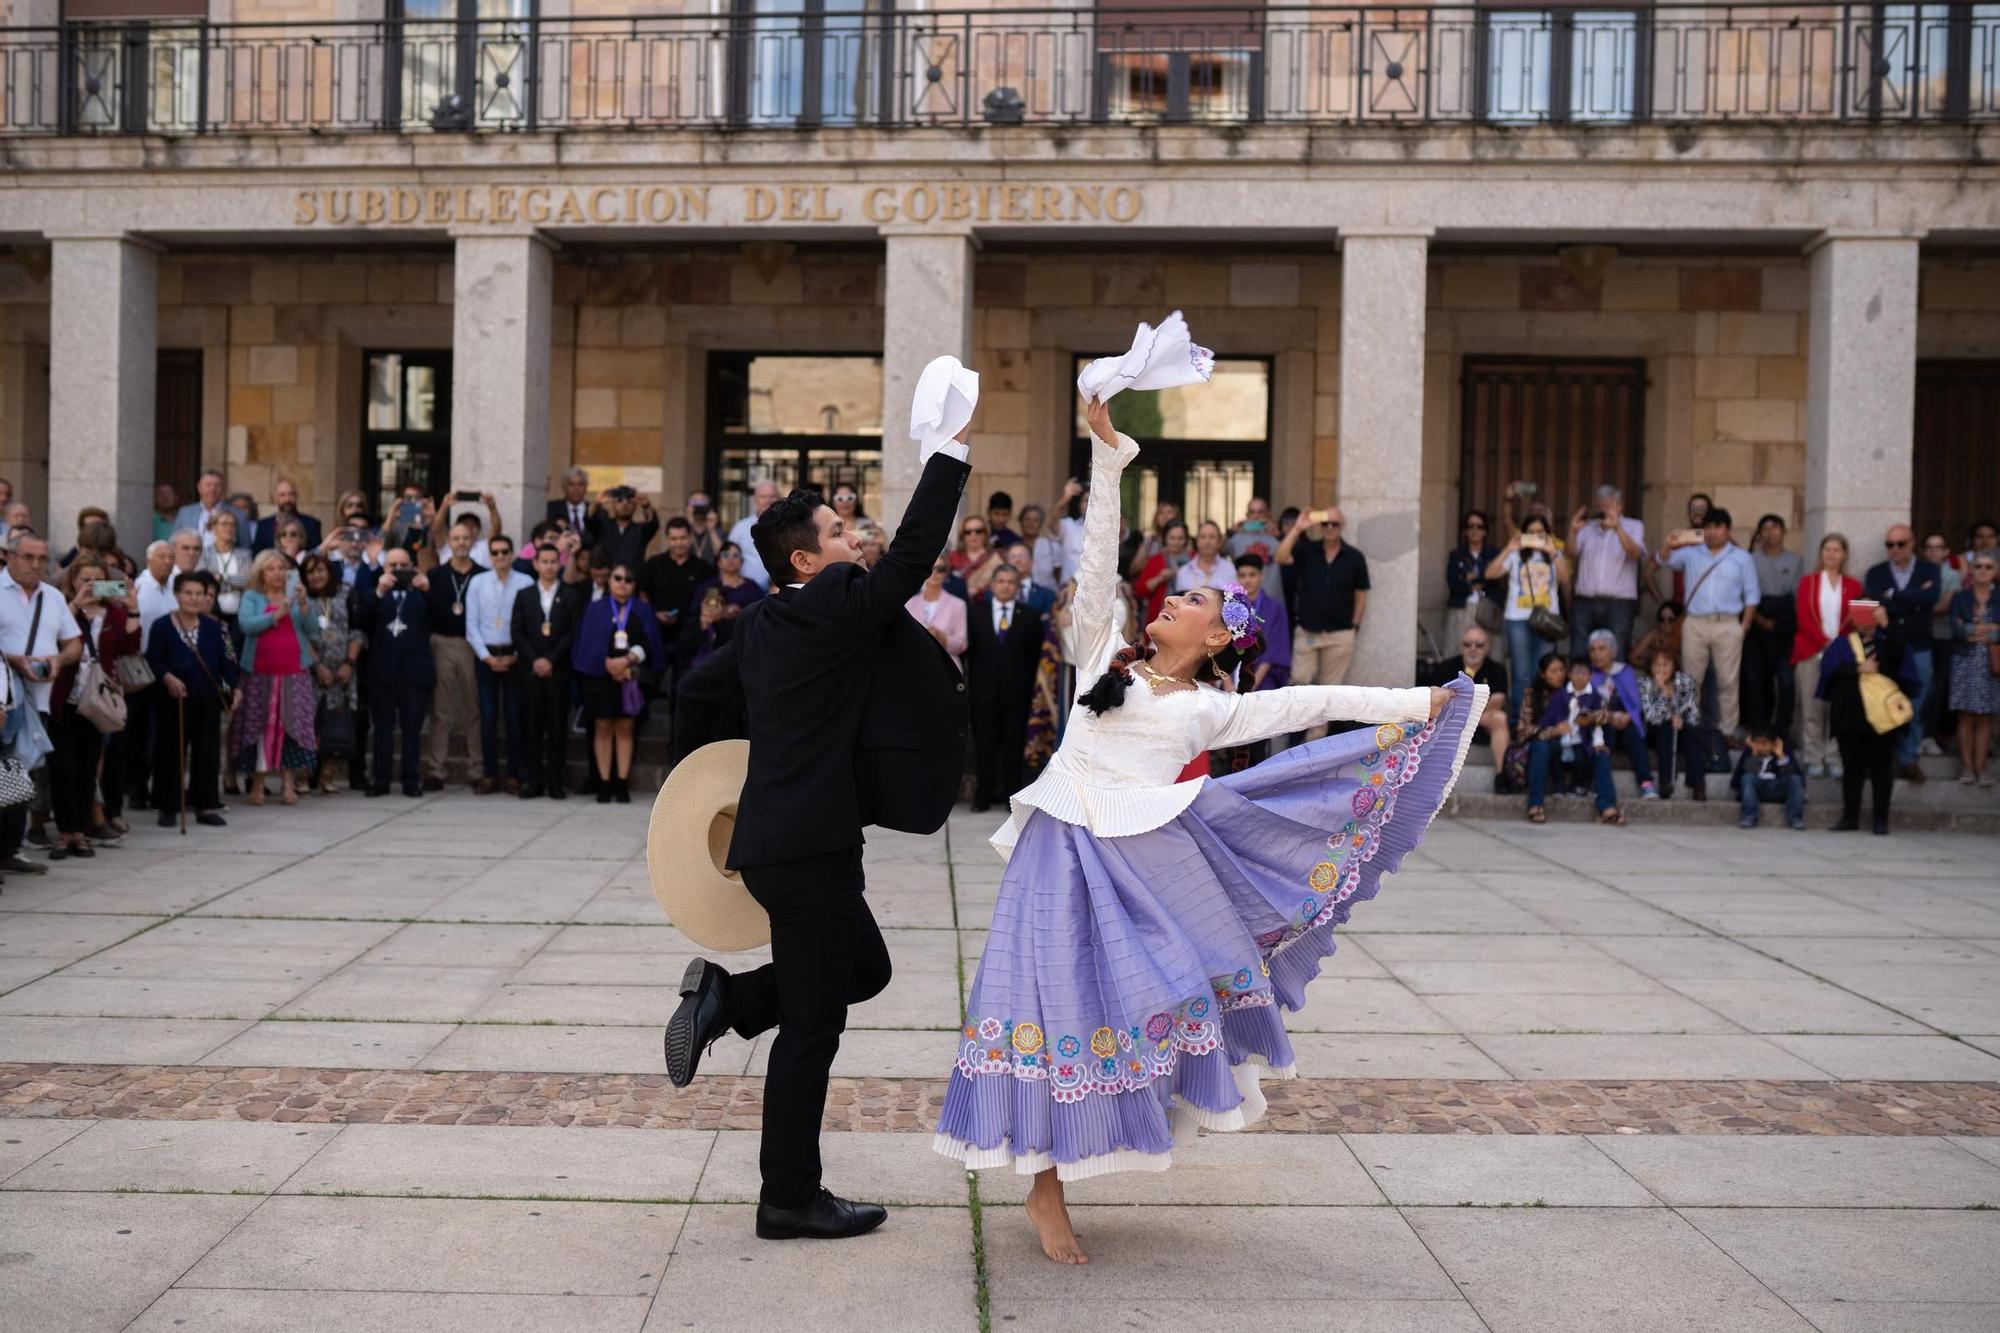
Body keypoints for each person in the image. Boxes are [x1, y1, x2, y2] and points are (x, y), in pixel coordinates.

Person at [928, 396, 1465, 1265]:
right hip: (1059, 846)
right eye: (1174, 594)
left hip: (1139, 858)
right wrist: (1109, 460)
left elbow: (1318, 701)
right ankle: (1044, 1185)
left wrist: (1419, 702)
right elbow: (1098, 562)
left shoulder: (1211, 708)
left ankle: (1114, 1124)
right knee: (1046, 1001)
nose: (1170, 600)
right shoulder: (1103, 654)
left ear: (1216, 635)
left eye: (1190, 600)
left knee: (1164, 992)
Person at [666, 415, 972, 1245]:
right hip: (808, 852)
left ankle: (732, 996)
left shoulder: (762, 624)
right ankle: (788, 1196)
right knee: (812, 1030)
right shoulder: (835, 600)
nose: (854, 540)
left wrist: (728, 774)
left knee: (863, 967)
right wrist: (949, 454)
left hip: (779, 844)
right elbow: (908, 563)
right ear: (806, 561)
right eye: (839, 533)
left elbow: (696, 691)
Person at [43, 559, 138, 858]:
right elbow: (51, 637)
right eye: (86, 579)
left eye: (99, 580)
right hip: (64, 700)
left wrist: (133, 606)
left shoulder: (114, 613)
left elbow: (129, 645)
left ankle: (81, 832)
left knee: (86, 770)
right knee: (62, 768)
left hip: (95, 702)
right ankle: (64, 832)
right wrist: (75, 604)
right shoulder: (61, 608)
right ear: (73, 580)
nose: (92, 585)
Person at [0, 534, 78, 873]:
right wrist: (15, 660)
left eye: (41, 558)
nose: (35, 565)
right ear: (10, 557)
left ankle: (9, 850)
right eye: (28, 557)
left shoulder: (55, 596)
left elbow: (74, 643)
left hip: (38, 704)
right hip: (4, 702)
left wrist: (60, 660)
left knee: (18, 777)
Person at [1818, 601, 1919, 835]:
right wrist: (1857, 669)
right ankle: (1849, 817)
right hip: (1850, 716)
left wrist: (1887, 625)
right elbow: (1828, 670)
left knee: (1882, 770)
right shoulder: (1842, 644)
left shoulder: (1888, 641)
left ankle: (1880, 820)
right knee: (1852, 769)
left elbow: (1902, 660)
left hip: (1883, 719)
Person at [229, 550, 319, 806]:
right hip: (260, 674)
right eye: (271, 569)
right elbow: (246, 625)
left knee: (290, 727)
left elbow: (312, 629)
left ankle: (288, 785)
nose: (277, 573)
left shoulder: (295, 597)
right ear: (261, 573)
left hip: (294, 673)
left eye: (282, 569)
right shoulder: (252, 597)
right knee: (260, 727)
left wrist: (303, 605)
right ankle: (257, 784)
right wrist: (274, 615)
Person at [146, 568, 234, 828]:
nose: (194, 598)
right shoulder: (162, 625)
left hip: (207, 696)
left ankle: (205, 804)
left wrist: (234, 686)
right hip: (173, 697)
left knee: (207, 751)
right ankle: (168, 805)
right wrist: (167, 677)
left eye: (200, 594)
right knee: (171, 751)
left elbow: (224, 661)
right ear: (177, 595)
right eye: (188, 593)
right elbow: (154, 659)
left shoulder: (213, 627)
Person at [1275, 505, 1372, 738]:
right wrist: (1298, 528)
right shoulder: (1307, 550)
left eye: (1334, 524)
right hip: (1308, 629)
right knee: (1299, 680)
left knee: (1330, 690)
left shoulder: (1355, 558)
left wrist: (1355, 626)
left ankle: (1314, 743)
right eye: (1325, 523)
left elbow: (1361, 595)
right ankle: (1296, 733)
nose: (1329, 528)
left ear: (1342, 527)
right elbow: (1280, 556)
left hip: (1340, 633)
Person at [1662, 507, 1758, 742]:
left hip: (1727, 624)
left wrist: (1742, 628)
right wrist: (1671, 541)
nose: (1713, 532)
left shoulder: (1742, 558)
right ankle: (1688, 728)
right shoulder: (1691, 553)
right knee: (1690, 679)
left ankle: (1727, 731)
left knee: (1728, 680)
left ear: (1728, 530)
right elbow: (1661, 560)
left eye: (1718, 527)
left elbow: (1752, 595)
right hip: (1695, 622)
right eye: (1708, 527)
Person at [571, 562, 662, 804]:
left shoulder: (642, 609)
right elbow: (586, 644)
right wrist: (606, 663)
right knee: (602, 728)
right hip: (600, 677)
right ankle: (604, 782)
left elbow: (650, 645)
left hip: (630, 677)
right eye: (618, 578)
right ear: (609, 581)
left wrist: (627, 662)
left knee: (625, 728)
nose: (623, 583)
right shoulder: (595, 608)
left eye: (628, 579)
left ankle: (621, 782)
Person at [1863, 523, 1943, 782]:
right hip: (1886, 647)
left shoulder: (1929, 569)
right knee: (1883, 702)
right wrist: (1911, 598)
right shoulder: (1876, 572)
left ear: (1912, 543)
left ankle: (1908, 759)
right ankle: (1883, 759)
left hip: (1918, 646)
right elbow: (1874, 602)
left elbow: (1929, 599)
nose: (1894, 549)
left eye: (1900, 544)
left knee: (1916, 704)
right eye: (1890, 545)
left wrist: (1893, 598)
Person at [354, 548, 434, 797]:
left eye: (403, 565)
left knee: (412, 729)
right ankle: (381, 779)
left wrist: (428, 590)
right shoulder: (373, 593)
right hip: (383, 672)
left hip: (414, 672)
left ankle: (411, 780)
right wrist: (379, 592)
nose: (398, 570)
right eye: (392, 565)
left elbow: (442, 618)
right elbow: (360, 621)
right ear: (384, 568)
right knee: (382, 728)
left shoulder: (421, 594)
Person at [966, 564, 1044, 814]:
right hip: (983, 691)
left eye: (1011, 582)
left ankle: (1012, 794)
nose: (1006, 586)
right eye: (1001, 581)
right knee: (984, 746)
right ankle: (983, 794)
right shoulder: (975, 612)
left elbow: (1034, 657)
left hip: (1016, 692)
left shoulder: (1030, 616)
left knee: (1013, 745)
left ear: (1017, 587)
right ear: (992, 584)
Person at [510, 540, 585, 800]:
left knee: (557, 729)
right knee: (531, 728)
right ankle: (532, 780)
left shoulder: (571, 595)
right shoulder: (524, 594)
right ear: (536, 564)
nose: (549, 566)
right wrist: (535, 661)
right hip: (531, 672)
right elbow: (517, 632)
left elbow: (571, 633)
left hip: (558, 672)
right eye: (544, 562)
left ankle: (556, 781)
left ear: (559, 563)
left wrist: (550, 660)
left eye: (554, 561)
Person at [422, 517, 485, 791]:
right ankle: (437, 769)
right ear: (449, 542)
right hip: (442, 643)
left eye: (466, 538)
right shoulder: (435, 576)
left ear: (472, 542)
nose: (461, 543)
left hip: (472, 645)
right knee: (441, 709)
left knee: (475, 707)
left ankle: (477, 769)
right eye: (456, 538)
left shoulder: (483, 575)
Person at [1527, 655, 1623, 825]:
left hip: (1583, 746)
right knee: (1540, 747)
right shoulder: (1554, 696)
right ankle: (1535, 804)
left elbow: (1604, 715)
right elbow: (1530, 729)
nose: (1579, 677)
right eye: (1553, 671)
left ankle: (1607, 807)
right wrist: (1555, 730)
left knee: (1601, 755)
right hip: (1556, 745)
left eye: (1561, 670)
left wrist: (1592, 719)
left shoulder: (1593, 695)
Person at [1792, 534, 1859, 778]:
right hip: (1811, 650)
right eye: (1827, 549)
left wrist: (1836, 644)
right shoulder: (1808, 582)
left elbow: (1855, 622)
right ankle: (1813, 756)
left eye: (1836, 550)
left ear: (1844, 555)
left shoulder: (1853, 586)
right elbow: (1803, 619)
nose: (1830, 554)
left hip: (1841, 655)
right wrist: (1824, 642)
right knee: (1812, 706)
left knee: (1838, 709)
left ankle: (1834, 757)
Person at [1486, 511, 1568, 711]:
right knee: (1521, 673)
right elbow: (1490, 573)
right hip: (1517, 619)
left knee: (1544, 671)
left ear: (1547, 534)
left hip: (1546, 620)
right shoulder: (1515, 554)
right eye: (1530, 532)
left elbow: (1565, 579)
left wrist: (1553, 552)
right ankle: (1519, 722)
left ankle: (1541, 719)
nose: (1535, 535)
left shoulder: (1554, 553)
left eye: (1540, 532)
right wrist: (1509, 547)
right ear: (1523, 533)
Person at [465, 534, 528, 795]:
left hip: (515, 656)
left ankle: (513, 774)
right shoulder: (478, 583)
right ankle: (489, 773)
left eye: (505, 551)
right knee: (488, 716)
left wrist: (516, 654)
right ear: (490, 556)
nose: (500, 556)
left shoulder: (525, 583)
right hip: (486, 657)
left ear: (512, 554)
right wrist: (486, 657)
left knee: (514, 718)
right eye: (496, 552)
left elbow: (529, 623)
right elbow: (471, 625)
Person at [299, 553, 361, 795]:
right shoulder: (302, 598)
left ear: (330, 572)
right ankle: (304, 775)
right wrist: (318, 666)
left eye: (321, 570)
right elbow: (301, 635)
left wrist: (348, 663)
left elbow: (357, 630)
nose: (316, 576)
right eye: (311, 572)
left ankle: (327, 775)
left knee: (335, 723)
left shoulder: (346, 593)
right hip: (310, 670)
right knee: (308, 723)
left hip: (342, 671)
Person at [1567, 484, 1646, 658]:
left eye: (1609, 506)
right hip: (1585, 602)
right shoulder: (1588, 528)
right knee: (1580, 652)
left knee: (1617, 653)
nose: (1604, 510)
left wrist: (1617, 528)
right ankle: (1582, 685)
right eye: (1601, 506)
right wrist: (1572, 531)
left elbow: (1635, 554)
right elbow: (1571, 552)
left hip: (1619, 604)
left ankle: (1614, 686)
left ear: (1620, 507)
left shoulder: (1634, 526)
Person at [1743, 514, 1802, 736]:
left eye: (1774, 527)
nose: (1770, 532)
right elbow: (1745, 594)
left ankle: (1782, 729)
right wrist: (1760, 620)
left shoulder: (1797, 561)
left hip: (1785, 629)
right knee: (1755, 680)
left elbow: (1796, 597)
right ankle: (1759, 729)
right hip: (1756, 625)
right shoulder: (1750, 560)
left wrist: (1778, 624)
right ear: (1760, 534)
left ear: (1783, 531)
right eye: (1765, 529)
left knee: (1786, 681)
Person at [1586, 627, 1657, 798]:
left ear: (1612, 651)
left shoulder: (1625, 671)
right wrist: (1609, 716)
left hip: (1625, 725)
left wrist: (1626, 717)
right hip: (1601, 726)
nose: (1597, 654)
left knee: (1632, 732)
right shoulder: (1588, 674)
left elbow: (1635, 704)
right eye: (1593, 650)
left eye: (1602, 649)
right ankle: (1597, 782)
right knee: (1604, 727)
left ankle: (1646, 782)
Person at [1437, 623, 1510, 787]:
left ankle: (1502, 776)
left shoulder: (1497, 670)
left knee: (1500, 718)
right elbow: (1439, 701)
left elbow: (1498, 701)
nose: (1473, 649)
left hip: (1481, 723)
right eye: (1468, 644)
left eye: (1479, 645)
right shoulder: (1446, 668)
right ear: (1461, 647)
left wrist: (1467, 710)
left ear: (1487, 647)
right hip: (1453, 722)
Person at [1948, 551, 1998, 786]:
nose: (1983, 571)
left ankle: (1982, 769)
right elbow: (1955, 627)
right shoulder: (1961, 597)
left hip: (1990, 662)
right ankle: (1967, 768)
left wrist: (1978, 630)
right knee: (1966, 716)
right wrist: (1984, 630)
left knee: (1985, 716)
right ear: (1972, 570)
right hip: (1965, 660)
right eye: (1978, 566)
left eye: (1988, 567)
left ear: (1995, 571)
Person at [1639, 651, 1705, 799]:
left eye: (1666, 664)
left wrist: (1682, 721)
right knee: (1664, 729)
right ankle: (1665, 781)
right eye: (1657, 665)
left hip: (1682, 728)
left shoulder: (1685, 682)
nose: (1661, 669)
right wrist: (1663, 692)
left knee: (1691, 736)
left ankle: (1697, 784)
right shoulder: (1645, 683)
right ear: (1651, 667)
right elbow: (1650, 716)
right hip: (1655, 730)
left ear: (1674, 665)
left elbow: (1694, 715)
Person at [639, 517, 714, 644]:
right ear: (667, 539)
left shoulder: (703, 568)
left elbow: (711, 596)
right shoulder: (653, 564)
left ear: (690, 538)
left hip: (692, 636)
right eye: (674, 539)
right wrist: (654, 614)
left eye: (683, 538)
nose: (679, 543)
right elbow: (642, 593)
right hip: (657, 633)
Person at [1922, 532, 1963, 758]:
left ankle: (1931, 735)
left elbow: (1943, 608)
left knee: (1938, 689)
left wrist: (1918, 602)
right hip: (1921, 638)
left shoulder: (1953, 575)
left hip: (1944, 639)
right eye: (1928, 547)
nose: (1933, 551)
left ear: (1946, 551)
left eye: (1938, 547)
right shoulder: (1918, 573)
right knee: (1921, 687)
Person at [1444, 509, 1502, 662]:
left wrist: (1470, 578)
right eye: (1470, 526)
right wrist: (1476, 582)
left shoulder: (1494, 554)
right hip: (1461, 609)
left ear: (1485, 531)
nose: (1475, 530)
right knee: (1456, 651)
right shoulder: (1456, 555)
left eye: (1479, 526)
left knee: (1490, 653)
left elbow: (1496, 579)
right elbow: (1453, 583)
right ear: (1465, 531)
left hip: (1487, 611)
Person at [1731, 727, 1807, 830]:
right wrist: (1754, 755)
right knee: (1747, 778)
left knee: (1795, 779)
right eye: (1758, 743)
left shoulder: (1784, 751)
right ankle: (1749, 816)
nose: (1761, 746)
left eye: (1764, 743)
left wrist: (1781, 756)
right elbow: (1737, 780)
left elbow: (1795, 777)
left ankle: (1795, 818)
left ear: (1773, 743)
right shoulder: (1750, 752)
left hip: (1778, 788)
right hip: (1757, 790)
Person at [906, 557, 969, 670]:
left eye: (941, 569)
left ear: (946, 573)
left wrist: (943, 638)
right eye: (931, 568)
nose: (935, 573)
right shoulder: (909, 604)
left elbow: (962, 644)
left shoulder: (958, 604)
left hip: (947, 667)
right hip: (915, 667)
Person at [199, 509, 253, 635]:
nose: (229, 528)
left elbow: (248, 581)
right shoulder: (203, 554)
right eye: (224, 524)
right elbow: (205, 582)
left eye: (232, 524)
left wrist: (222, 578)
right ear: (214, 527)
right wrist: (235, 585)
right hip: (212, 611)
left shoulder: (244, 555)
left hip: (238, 614)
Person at [584, 487, 657, 575]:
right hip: (605, 582)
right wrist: (596, 503)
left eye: (629, 501)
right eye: (620, 500)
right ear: (613, 504)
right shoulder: (602, 527)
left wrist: (646, 505)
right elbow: (588, 518)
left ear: (635, 506)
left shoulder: (641, 530)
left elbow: (653, 523)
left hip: (631, 583)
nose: (624, 504)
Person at [1133, 520, 1189, 630]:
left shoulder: (1194, 559)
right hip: (1159, 620)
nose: (1176, 542)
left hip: (1189, 620)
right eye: (1172, 538)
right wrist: (1160, 578)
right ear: (1165, 539)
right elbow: (1139, 590)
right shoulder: (1156, 560)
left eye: (1180, 538)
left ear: (1186, 539)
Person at [728, 479, 779, 590]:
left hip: (778, 589)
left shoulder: (787, 526)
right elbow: (728, 555)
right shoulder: (740, 527)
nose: (768, 500)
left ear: (778, 499)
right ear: (755, 500)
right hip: (747, 591)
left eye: (772, 496)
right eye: (763, 496)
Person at [174, 470, 247, 544]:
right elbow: (174, 541)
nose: (213, 489)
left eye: (217, 485)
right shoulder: (185, 513)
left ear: (223, 489)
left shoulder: (238, 514)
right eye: (208, 485)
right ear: (199, 488)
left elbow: (245, 545)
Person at [251, 478, 322, 554]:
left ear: (296, 496)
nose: (287, 499)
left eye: (291, 494)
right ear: (275, 498)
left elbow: (316, 555)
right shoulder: (263, 526)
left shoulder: (311, 524)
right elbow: (257, 556)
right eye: (282, 495)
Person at [694, 542, 762, 617]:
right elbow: (694, 614)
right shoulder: (708, 585)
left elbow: (760, 614)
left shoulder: (752, 587)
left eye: (735, 555)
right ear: (719, 562)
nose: (731, 559)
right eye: (725, 555)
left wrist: (740, 612)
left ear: (741, 562)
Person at [950, 512, 1002, 598]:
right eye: (968, 532)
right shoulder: (952, 557)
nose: (973, 535)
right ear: (962, 535)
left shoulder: (995, 558)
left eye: (978, 531)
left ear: (986, 533)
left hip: (986, 605)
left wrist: (978, 591)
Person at [1173, 520, 1230, 593]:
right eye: (1203, 537)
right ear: (1197, 541)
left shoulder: (1229, 569)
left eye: (1212, 537)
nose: (1207, 541)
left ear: (1219, 541)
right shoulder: (1183, 572)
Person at [1631, 599, 1684, 673]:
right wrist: (1651, 666)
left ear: (1678, 620)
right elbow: (1633, 657)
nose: (1666, 622)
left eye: (1670, 619)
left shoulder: (1684, 636)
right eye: (1662, 619)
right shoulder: (1653, 635)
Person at [1225, 497, 1280, 564]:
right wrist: (1230, 532)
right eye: (1252, 512)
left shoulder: (1276, 536)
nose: (1256, 516)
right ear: (1247, 515)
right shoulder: (1235, 538)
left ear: (1268, 514)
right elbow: (1215, 552)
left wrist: (1280, 536)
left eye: (1260, 512)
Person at [1019, 503, 1060, 592]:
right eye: (1027, 519)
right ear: (1021, 522)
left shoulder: (1051, 546)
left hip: (1048, 599)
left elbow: (1058, 576)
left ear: (1041, 523)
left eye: (1036, 520)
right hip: (1021, 598)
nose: (1031, 523)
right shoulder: (1014, 546)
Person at [547, 468, 594, 540]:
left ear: (586, 487)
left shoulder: (596, 511)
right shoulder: (551, 509)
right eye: (571, 484)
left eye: (580, 484)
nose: (576, 489)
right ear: (564, 487)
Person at [685, 491, 724, 565]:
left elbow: (722, 556)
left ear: (709, 508)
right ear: (687, 508)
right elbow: (679, 550)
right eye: (694, 502)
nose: (698, 507)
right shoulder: (683, 530)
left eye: (702, 503)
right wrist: (689, 525)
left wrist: (712, 529)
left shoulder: (719, 533)